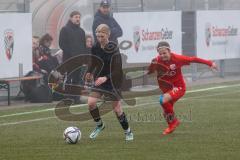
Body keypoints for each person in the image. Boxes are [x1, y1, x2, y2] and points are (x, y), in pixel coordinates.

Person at [147, 41, 218, 135]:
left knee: (163, 100)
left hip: (179, 87)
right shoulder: (157, 61)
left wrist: (210, 63)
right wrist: (152, 65)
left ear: (169, 51)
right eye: (160, 54)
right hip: (167, 89)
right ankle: (171, 126)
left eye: (165, 53)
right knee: (166, 113)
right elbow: (150, 72)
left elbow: (193, 59)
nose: (163, 55)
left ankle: (174, 123)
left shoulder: (177, 59)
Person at [85, 24, 133, 141]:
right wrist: (89, 72)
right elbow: (93, 62)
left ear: (108, 35)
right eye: (98, 36)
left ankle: (128, 131)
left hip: (113, 80)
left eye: (102, 36)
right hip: (100, 79)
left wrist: (105, 78)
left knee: (117, 109)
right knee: (91, 103)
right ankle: (99, 125)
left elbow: (117, 70)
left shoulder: (114, 48)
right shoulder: (95, 47)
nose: (100, 39)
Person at [59, 11, 87, 104]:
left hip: (79, 61)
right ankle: (68, 98)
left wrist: (83, 58)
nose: (78, 19)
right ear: (71, 18)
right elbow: (62, 44)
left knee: (77, 79)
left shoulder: (81, 31)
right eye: (76, 17)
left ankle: (76, 97)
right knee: (69, 78)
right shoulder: (65, 29)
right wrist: (72, 54)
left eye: (79, 17)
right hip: (69, 60)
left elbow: (83, 46)